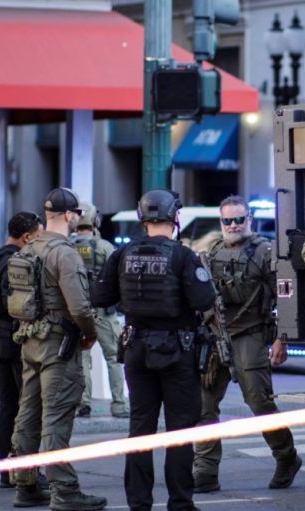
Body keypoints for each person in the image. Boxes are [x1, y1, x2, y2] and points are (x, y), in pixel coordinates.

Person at [93, 189, 215, 511]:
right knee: (179, 431)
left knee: (140, 429)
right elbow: (204, 300)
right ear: (175, 217)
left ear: (142, 217)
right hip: (177, 351)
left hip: (136, 349)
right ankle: (180, 503)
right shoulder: (183, 256)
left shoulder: (122, 254)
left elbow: (100, 297)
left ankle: (139, 503)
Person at [192, 195, 301, 493]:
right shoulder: (212, 253)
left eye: (239, 219)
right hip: (214, 336)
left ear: (249, 219)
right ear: (221, 222)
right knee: (204, 405)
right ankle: (205, 470)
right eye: (227, 220)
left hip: (250, 335)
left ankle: (286, 456)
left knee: (260, 403)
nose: (233, 225)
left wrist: (281, 339)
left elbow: (286, 298)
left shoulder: (266, 252)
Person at [9, 187, 106, 510]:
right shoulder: (65, 253)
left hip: (30, 340)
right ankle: (64, 489)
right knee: (56, 414)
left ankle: (25, 484)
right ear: (68, 215)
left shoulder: (29, 247)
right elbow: (79, 307)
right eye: (76, 213)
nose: (77, 218)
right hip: (58, 345)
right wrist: (89, 334)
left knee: (28, 412)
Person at [0, 211, 45, 488]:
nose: (38, 241)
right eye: (37, 236)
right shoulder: (16, 261)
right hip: (16, 339)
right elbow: (17, 304)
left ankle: (7, 471)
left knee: (8, 407)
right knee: (27, 406)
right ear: (27, 236)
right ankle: (25, 472)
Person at [73, 201, 129, 419]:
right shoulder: (105, 247)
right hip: (104, 312)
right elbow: (119, 277)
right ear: (95, 220)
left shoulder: (67, 246)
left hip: (78, 311)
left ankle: (83, 404)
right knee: (114, 358)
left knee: (82, 360)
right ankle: (119, 405)